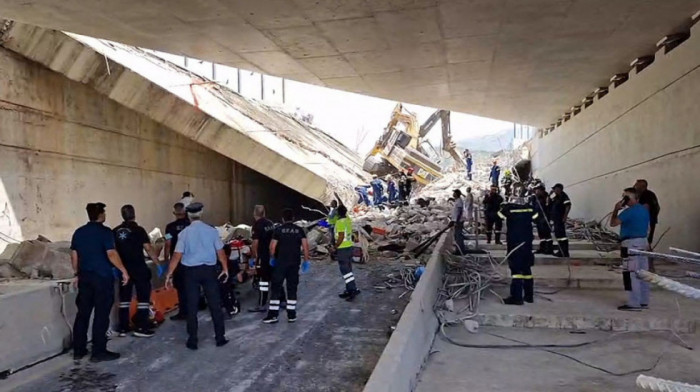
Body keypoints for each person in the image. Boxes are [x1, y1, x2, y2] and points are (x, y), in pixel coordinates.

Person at [165, 202, 229, 350]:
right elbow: (220, 252)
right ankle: (220, 338)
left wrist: (169, 273)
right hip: (209, 271)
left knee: (191, 306)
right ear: (201, 213)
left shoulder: (183, 234)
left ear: (188, 215)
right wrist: (225, 268)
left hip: (190, 273)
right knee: (215, 305)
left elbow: (177, 255)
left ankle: (192, 340)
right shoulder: (211, 231)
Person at [70, 202, 130, 362]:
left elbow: (74, 255)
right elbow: (111, 254)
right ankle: (98, 351)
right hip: (102, 278)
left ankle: (79, 350)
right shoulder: (105, 232)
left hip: (84, 278)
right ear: (101, 215)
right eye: (104, 212)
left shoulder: (79, 232)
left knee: (82, 314)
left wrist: (76, 273)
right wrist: (123, 270)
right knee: (101, 315)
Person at [113, 205, 161, 338]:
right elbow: (148, 248)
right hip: (139, 267)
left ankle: (123, 327)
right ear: (134, 214)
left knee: (124, 298)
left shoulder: (115, 231)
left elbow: (112, 251)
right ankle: (141, 326)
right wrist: (157, 263)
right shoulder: (138, 230)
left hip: (123, 269)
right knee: (143, 297)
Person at [263, 209, 310, 324]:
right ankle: (291, 315)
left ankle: (273, 315)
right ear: (293, 218)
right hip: (294, 264)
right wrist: (306, 261)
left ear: (283, 219)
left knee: (276, 288)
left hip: (280, 263)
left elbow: (272, 247)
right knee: (292, 288)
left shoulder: (278, 230)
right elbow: (305, 246)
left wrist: (272, 257)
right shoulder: (299, 230)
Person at [610, 188, 650, 311]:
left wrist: (616, 209)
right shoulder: (644, 210)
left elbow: (613, 223)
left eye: (626, 197)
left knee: (631, 273)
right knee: (643, 273)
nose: (624, 200)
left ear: (633, 199)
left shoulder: (629, 212)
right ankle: (643, 300)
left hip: (630, 244)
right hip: (642, 242)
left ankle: (634, 303)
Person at [498, 201, 538, 305]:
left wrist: (504, 207)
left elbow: (499, 215)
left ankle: (517, 298)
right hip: (527, 243)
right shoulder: (529, 209)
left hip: (515, 243)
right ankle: (529, 296)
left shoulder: (508, 209)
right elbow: (538, 217)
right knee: (526, 269)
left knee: (516, 271)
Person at [164, 203, 191, 320]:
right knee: (192, 286)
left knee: (180, 287)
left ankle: (183, 312)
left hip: (177, 261)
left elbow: (168, 244)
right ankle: (193, 309)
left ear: (174, 213)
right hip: (191, 260)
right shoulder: (190, 225)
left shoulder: (169, 227)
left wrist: (166, 260)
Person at [249, 205, 275, 313]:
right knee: (274, 277)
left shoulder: (257, 225)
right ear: (264, 213)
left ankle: (262, 304)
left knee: (263, 280)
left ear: (254, 213)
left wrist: (253, 257)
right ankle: (282, 299)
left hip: (263, 255)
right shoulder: (270, 223)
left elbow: (255, 243)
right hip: (272, 255)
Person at [334, 205, 361, 301]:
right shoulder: (348, 220)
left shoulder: (339, 222)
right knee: (348, 270)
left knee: (346, 271)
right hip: (349, 247)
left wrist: (335, 246)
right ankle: (349, 289)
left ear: (338, 213)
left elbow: (341, 236)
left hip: (343, 249)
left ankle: (352, 290)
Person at [634, 179, 660, 245]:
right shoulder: (647, 195)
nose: (634, 186)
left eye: (637, 185)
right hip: (649, 221)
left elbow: (646, 207)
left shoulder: (647, 195)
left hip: (646, 222)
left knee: (644, 241)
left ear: (643, 187)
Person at [550, 183, 571, 257]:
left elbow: (568, 206)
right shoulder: (556, 197)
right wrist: (550, 194)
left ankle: (564, 252)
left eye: (555, 189)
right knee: (558, 235)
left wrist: (565, 216)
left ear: (559, 189)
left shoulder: (563, 196)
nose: (554, 190)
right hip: (556, 219)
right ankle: (560, 250)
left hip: (560, 219)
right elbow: (549, 203)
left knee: (562, 236)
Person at [531, 185, 553, 254]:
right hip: (539, 219)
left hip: (545, 219)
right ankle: (542, 248)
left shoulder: (546, 197)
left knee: (547, 235)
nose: (536, 191)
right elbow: (534, 208)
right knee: (541, 235)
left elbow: (549, 207)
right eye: (535, 190)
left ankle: (549, 249)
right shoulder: (535, 198)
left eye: (538, 190)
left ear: (542, 191)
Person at [449, 189, 467, 254]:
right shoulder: (457, 201)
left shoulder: (459, 201)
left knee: (458, 235)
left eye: (454, 193)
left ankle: (460, 250)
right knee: (457, 235)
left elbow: (459, 212)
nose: (453, 194)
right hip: (456, 220)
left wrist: (456, 221)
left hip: (458, 221)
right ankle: (459, 249)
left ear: (456, 194)